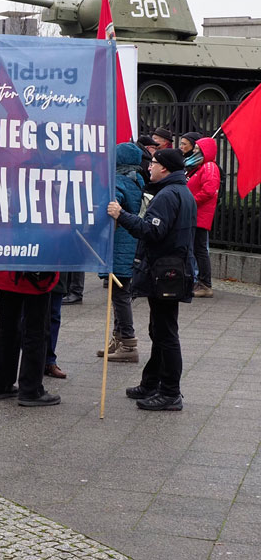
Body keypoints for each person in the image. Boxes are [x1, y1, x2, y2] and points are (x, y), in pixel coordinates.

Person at [107, 146, 196, 411]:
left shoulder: (169, 195)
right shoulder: (179, 191)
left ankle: (170, 393)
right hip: (170, 270)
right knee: (159, 330)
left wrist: (121, 215)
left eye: (154, 163)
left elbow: (150, 231)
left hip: (167, 272)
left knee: (166, 333)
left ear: (165, 168)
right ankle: (151, 382)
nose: (149, 167)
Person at [99, 142, 147, 363]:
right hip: (131, 245)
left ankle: (128, 342)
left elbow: (112, 203)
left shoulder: (118, 180)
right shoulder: (137, 179)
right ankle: (118, 338)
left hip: (119, 247)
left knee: (120, 296)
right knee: (118, 293)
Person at [0, 269, 60, 407]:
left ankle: (0, 383)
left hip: (6, 268)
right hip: (36, 273)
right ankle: (31, 389)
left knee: (7, 328)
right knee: (36, 329)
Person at [186, 136, 220, 298]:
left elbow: (208, 191)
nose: (194, 151)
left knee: (199, 250)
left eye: (198, 150)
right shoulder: (201, 167)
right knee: (196, 249)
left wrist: (190, 201)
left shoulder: (209, 167)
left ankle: (205, 283)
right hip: (196, 214)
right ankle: (199, 282)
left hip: (199, 215)